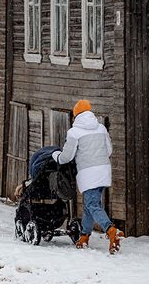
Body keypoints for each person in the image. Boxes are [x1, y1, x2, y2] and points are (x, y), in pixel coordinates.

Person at [52, 100, 124, 254]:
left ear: (76, 114)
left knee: (92, 205)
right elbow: (109, 150)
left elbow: (67, 157)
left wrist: (56, 156)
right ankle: (84, 236)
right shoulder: (101, 128)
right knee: (89, 205)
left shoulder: (74, 132)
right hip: (103, 171)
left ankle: (111, 230)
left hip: (88, 173)